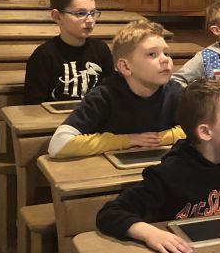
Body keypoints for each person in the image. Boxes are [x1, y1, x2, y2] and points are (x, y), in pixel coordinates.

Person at [96, 79, 220, 253]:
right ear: (205, 132)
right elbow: (111, 213)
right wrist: (150, 233)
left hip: (219, 245)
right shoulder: (171, 172)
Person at [48, 19, 183, 158]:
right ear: (125, 67)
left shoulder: (175, 91)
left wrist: (163, 137)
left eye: (166, 53)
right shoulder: (102, 97)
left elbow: (197, 128)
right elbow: (58, 145)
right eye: (152, 54)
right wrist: (128, 140)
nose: (165, 59)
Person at [23, 0, 114, 104]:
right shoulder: (44, 55)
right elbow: (33, 105)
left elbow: (110, 94)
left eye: (93, 13)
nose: (90, 20)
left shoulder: (101, 50)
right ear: (57, 16)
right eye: (80, 13)